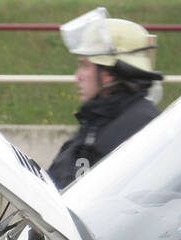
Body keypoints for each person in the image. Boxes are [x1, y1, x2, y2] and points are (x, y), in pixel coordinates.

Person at [47, 8, 162, 189]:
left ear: (108, 74)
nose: (78, 76)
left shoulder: (137, 129)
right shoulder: (100, 119)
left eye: (85, 66)